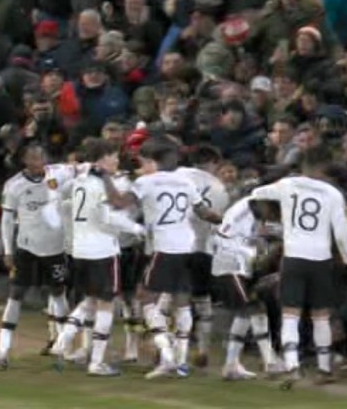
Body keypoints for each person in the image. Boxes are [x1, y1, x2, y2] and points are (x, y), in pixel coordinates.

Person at [101, 138, 222, 379]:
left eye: (142, 161)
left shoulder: (146, 182)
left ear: (150, 161)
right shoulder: (186, 181)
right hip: (188, 246)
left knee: (145, 297)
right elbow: (205, 212)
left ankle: (166, 355)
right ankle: (181, 360)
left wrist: (104, 176)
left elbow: (117, 202)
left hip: (164, 248)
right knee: (182, 299)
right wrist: (224, 220)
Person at [249, 146, 347, 387]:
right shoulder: (332, 193)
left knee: (291, 312)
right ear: (324, 166)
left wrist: (273, 213)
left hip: (294, 257)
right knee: (320, 314)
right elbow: (341, 233)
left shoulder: (288, 185)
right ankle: (324, 369)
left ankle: (292, 366)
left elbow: (257, 192)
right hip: (320, 258)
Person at [52, 139, 145, 376]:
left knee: (90, 300)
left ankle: (63, 340)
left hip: (80, 249)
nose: (116, 160)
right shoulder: (101, 184)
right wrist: (136, 229)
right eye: (113, 156)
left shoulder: (80, 182)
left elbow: (60, 193)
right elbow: (107, 217)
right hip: (102, 250)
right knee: (106, 304)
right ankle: (97, 362)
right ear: (102, 158)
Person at [0, 141, 73, 369]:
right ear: (24, 160)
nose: (38, 161)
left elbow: (78, 167)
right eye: (33, 157)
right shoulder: (14, 185)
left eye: (41, 156)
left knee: (58, 292)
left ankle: (63, 346)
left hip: (55, 247)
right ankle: (2, 349)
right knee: (16, 294)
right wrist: (8, 250)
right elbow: (6, 219)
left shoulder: (59, 173)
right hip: (27, 247)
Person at [212, 195, 283, 379]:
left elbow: (264, 232)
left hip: (243, 267)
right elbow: (221, 237)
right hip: (230, 266)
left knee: (243, 315)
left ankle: (231, 365)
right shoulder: (239, 211)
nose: (271, 215)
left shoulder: (257, 214)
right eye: (271, 209)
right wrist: (251, 251)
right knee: (254, 308)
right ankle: (270, 360)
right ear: (261, 202)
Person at [175, 145, 231, 367]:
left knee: (173, 300)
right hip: (202, 248)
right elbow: (218, 223)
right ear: (214, 163)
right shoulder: (220, 188)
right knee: (202, 301)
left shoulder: (177, 175)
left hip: (175, 247)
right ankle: (203, 349)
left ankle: (171, 349)